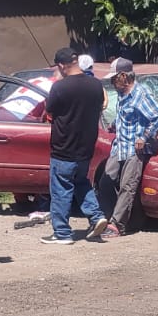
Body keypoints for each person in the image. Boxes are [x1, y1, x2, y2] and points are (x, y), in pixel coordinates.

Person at [40, 47, 109, 246]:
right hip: (86, 147)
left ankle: (62, 233)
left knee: (61, 189)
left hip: (64, 147)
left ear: (61, 66)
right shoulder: (96, 85)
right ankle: (96, 217)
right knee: (81, 183)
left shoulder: (60, 87)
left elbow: (50, 109)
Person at [101, 57, 158, 238]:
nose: (112, 82)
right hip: (119, 146)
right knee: (106, 181)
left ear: (123, 76)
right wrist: (115, 124)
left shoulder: (140, 94)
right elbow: (126, 116)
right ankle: (109, 218)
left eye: (114, 78)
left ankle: (117, 225)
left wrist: (145, 137)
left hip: (134, 149)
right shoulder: (123, 95)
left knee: (127, 186)